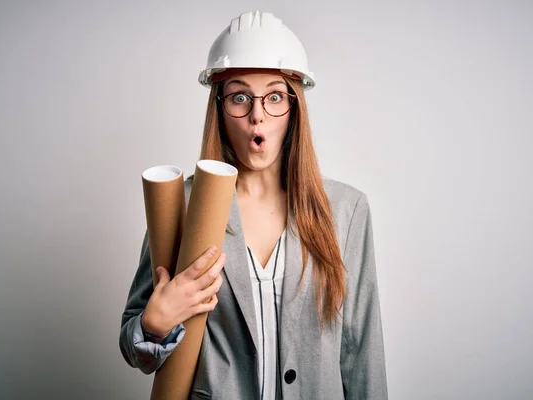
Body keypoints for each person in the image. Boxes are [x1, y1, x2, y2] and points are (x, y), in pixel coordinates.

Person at [119, 10, 388, 399]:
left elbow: (362, 353)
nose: (257, 116)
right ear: (220, 107)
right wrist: (154, 325)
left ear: (294, 108)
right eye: (240, 97)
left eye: (275, 96)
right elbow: (137, 350)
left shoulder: (347, 210)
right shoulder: (182, 206)